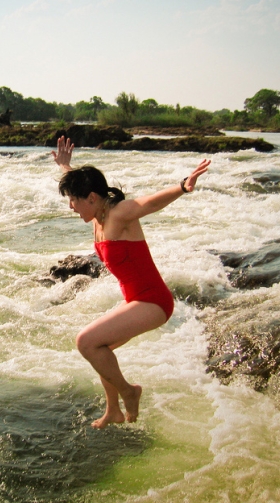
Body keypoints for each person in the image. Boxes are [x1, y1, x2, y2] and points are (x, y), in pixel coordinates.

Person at [52, 135, 211, 428]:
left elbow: (148, 203)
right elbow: (81, 188)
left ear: (92, 198)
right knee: (101, 350)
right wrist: (66, 167)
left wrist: (182, 186)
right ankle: (112, 411)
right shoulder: (95, 210)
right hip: (136, 300)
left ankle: (129, 392)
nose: (71, 207)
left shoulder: (118, 213)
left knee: (86, 342)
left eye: (73, 201)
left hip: (152, 301)